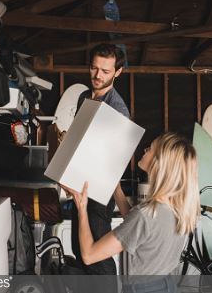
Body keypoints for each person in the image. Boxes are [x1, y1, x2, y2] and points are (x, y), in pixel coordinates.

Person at [62, 132, 200, 291]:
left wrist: (81, 207)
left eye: (150, 149)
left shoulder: (145, 215)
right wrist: (117, 190)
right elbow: (138, 231)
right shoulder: (178, 208)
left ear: (159, 163)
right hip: (166, 286)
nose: (144, 150)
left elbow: (89, 255)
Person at [71, 43, 130, 275]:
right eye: (94, 68)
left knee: (97, 258)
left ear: (118, 72)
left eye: (105, 71)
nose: (98, 76)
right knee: (79, 250)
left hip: (100, 193)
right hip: (80, 184)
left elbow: (115, 161)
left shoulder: (117, 110)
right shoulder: (85, 97)